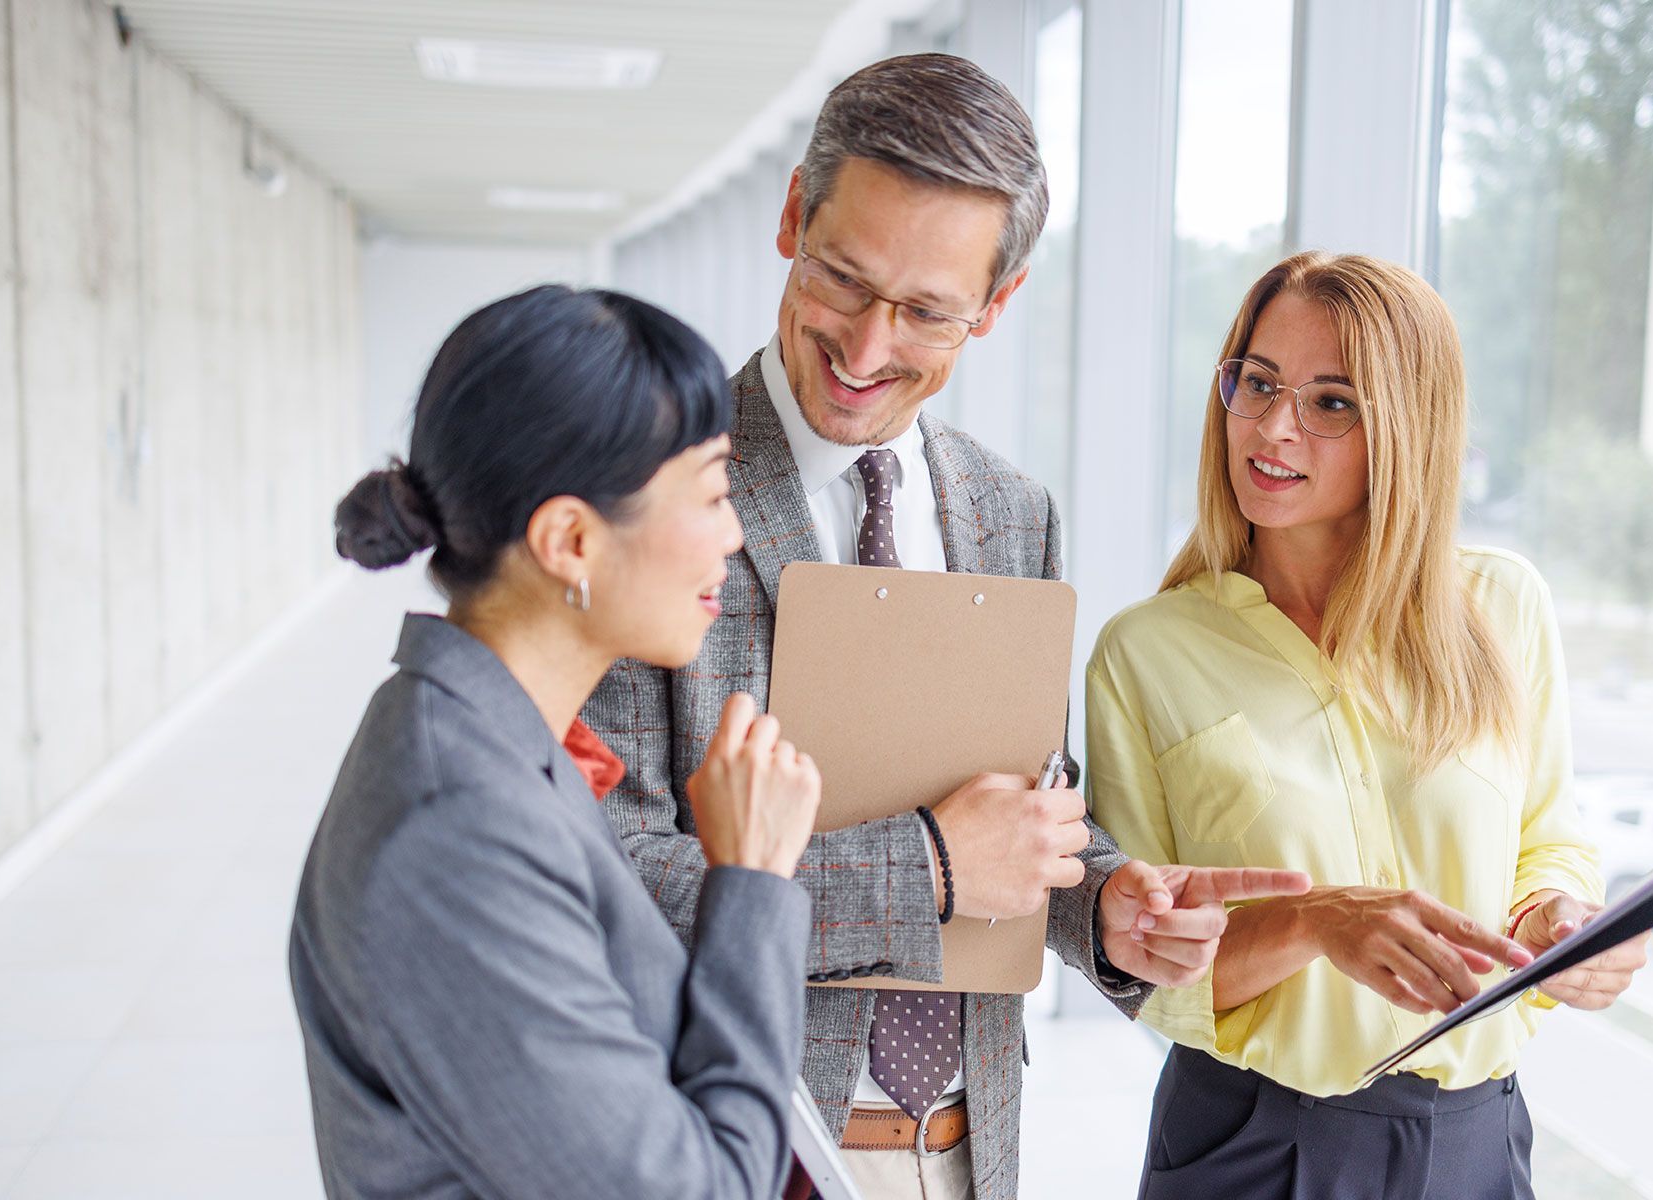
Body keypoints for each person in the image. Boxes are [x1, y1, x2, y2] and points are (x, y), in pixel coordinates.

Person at [584, 53, 1307, 1200]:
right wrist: (924, 865)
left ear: (999, 303)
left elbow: (1019, 822)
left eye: (926, 311)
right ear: (791, 218)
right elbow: (607, 883)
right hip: (740, 1143)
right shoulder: (652, 485)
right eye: (841, 280)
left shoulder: (1011, 514)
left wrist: (1101, 904)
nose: (867, 350)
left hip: (965, 1150)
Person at [1086, 251, 1652, 1200]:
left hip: (1479, 1136)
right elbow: (1148, 971)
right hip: (1255, 1141)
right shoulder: (1145, 653)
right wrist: (1314, 922)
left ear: (1408, 428)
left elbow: (1549, 836)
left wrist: (1558, 920)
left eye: (1332, 402)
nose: (1272, 427)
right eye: (1257, 383)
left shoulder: (1503, 608)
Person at [289, 286, 823, 1200]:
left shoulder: (490, 740)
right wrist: (754, 884)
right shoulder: (455, 830)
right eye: (712, 492)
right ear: (570, 540)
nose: (733, 537)